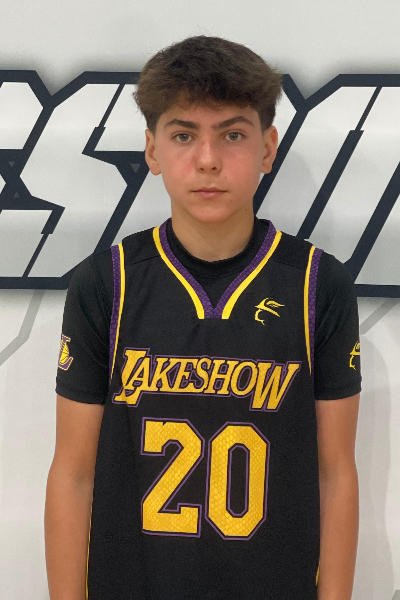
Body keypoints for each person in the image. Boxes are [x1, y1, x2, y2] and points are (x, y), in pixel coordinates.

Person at [45, 35, 361, 600]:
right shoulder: (106, 284)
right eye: (184, 135)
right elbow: (73, 473)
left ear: (268, 148)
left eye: (232, 134)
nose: (209, 159)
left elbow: (335, 473)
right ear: (152, 150)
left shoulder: (318, 284)